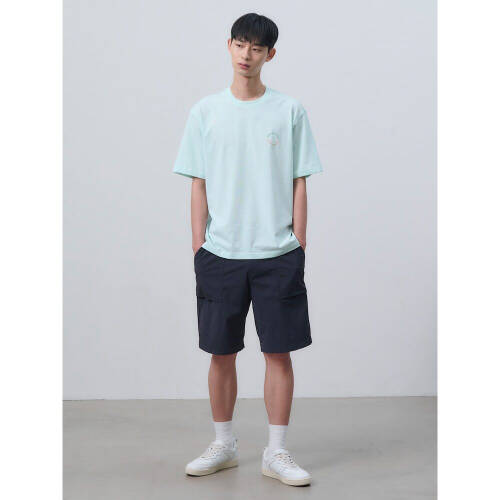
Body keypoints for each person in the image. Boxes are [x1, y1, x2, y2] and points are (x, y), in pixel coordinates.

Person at [173, 12, 323, 487]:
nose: (247, 55)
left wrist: (298, 242)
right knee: (221, 353)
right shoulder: (205, 112)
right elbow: (198, 182)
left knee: (279, 353)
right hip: (220, 254)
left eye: (257, 48)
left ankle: (276, 452)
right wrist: (198, 246)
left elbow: (300, 180)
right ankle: (224, 444)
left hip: (278, 254)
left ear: (270, 54)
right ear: (229, 46)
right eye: (240, 44)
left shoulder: (289, 111)